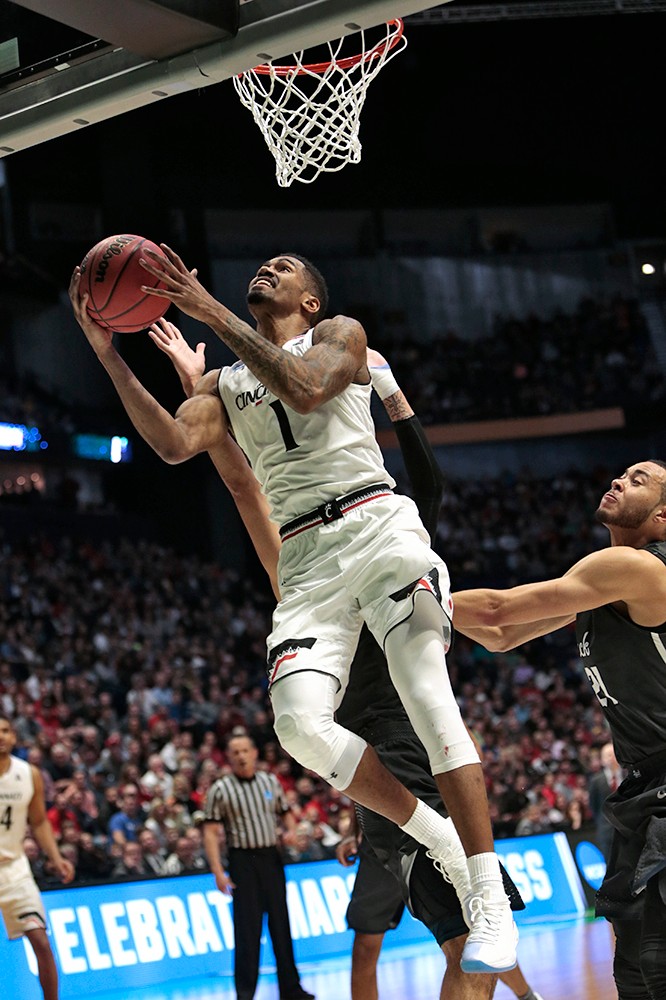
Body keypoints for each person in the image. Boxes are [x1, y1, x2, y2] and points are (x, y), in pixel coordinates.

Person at [69, 250, 517, 973]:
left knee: (427, 690)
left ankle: (487, 890)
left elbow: (308, 391)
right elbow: (176, 443)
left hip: (378, 525)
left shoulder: (341, 333)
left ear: (311, 301)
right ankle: (438, 838)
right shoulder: (224, 383)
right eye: (266, 264)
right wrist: (109, 357)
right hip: (306, 559)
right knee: (299, 725)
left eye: (286, 267)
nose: (269, 269)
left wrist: (209, 311)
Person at [154, 328, 537, 1000]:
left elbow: (428, 498)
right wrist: (201, 395)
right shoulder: (302, 583)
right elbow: (247, 490)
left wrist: (392, 395)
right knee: (456, 946)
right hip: (397, 788)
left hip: (426, 769)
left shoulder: (397, 564)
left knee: (476, 946)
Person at [451, 459, 666, 1000]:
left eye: (638, 480)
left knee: (651, 964)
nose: (618, 480)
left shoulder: (636, 569)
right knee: (635, 971)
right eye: (621, 473)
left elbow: (498, 611)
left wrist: (395, 594)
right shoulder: (602, 582)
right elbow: (502, 638)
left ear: (663, 516)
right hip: (645, 786)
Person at [203, 733, 314, 1000]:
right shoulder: (220, 789)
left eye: (245, 750)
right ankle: (245, 993)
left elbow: (285, 812)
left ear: (254, 753)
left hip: (271, 859)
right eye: (235, 752)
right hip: (242, 862)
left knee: (281, 926)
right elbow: (210, 832)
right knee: (247, 931)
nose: (241, 756)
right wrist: (218, 871)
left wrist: (293, 834)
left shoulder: (269, 781)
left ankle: (291, 989)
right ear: (228, 757)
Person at [0, 714, 75, 1000]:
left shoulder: (28, 774)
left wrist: (56, 858)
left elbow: (40, 822)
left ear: (14, 737)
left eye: (6, 730)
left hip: (15, 869)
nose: (1, 736)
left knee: (41, 941)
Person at [588, 741, 625, 862]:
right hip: (607, 832)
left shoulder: (628, 775)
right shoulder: (596, 781)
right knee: (612, 866)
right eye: (608, 755)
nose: (611, 758)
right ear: (602, 760)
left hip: (630, 828)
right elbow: (594, 806)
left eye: (613, 754)